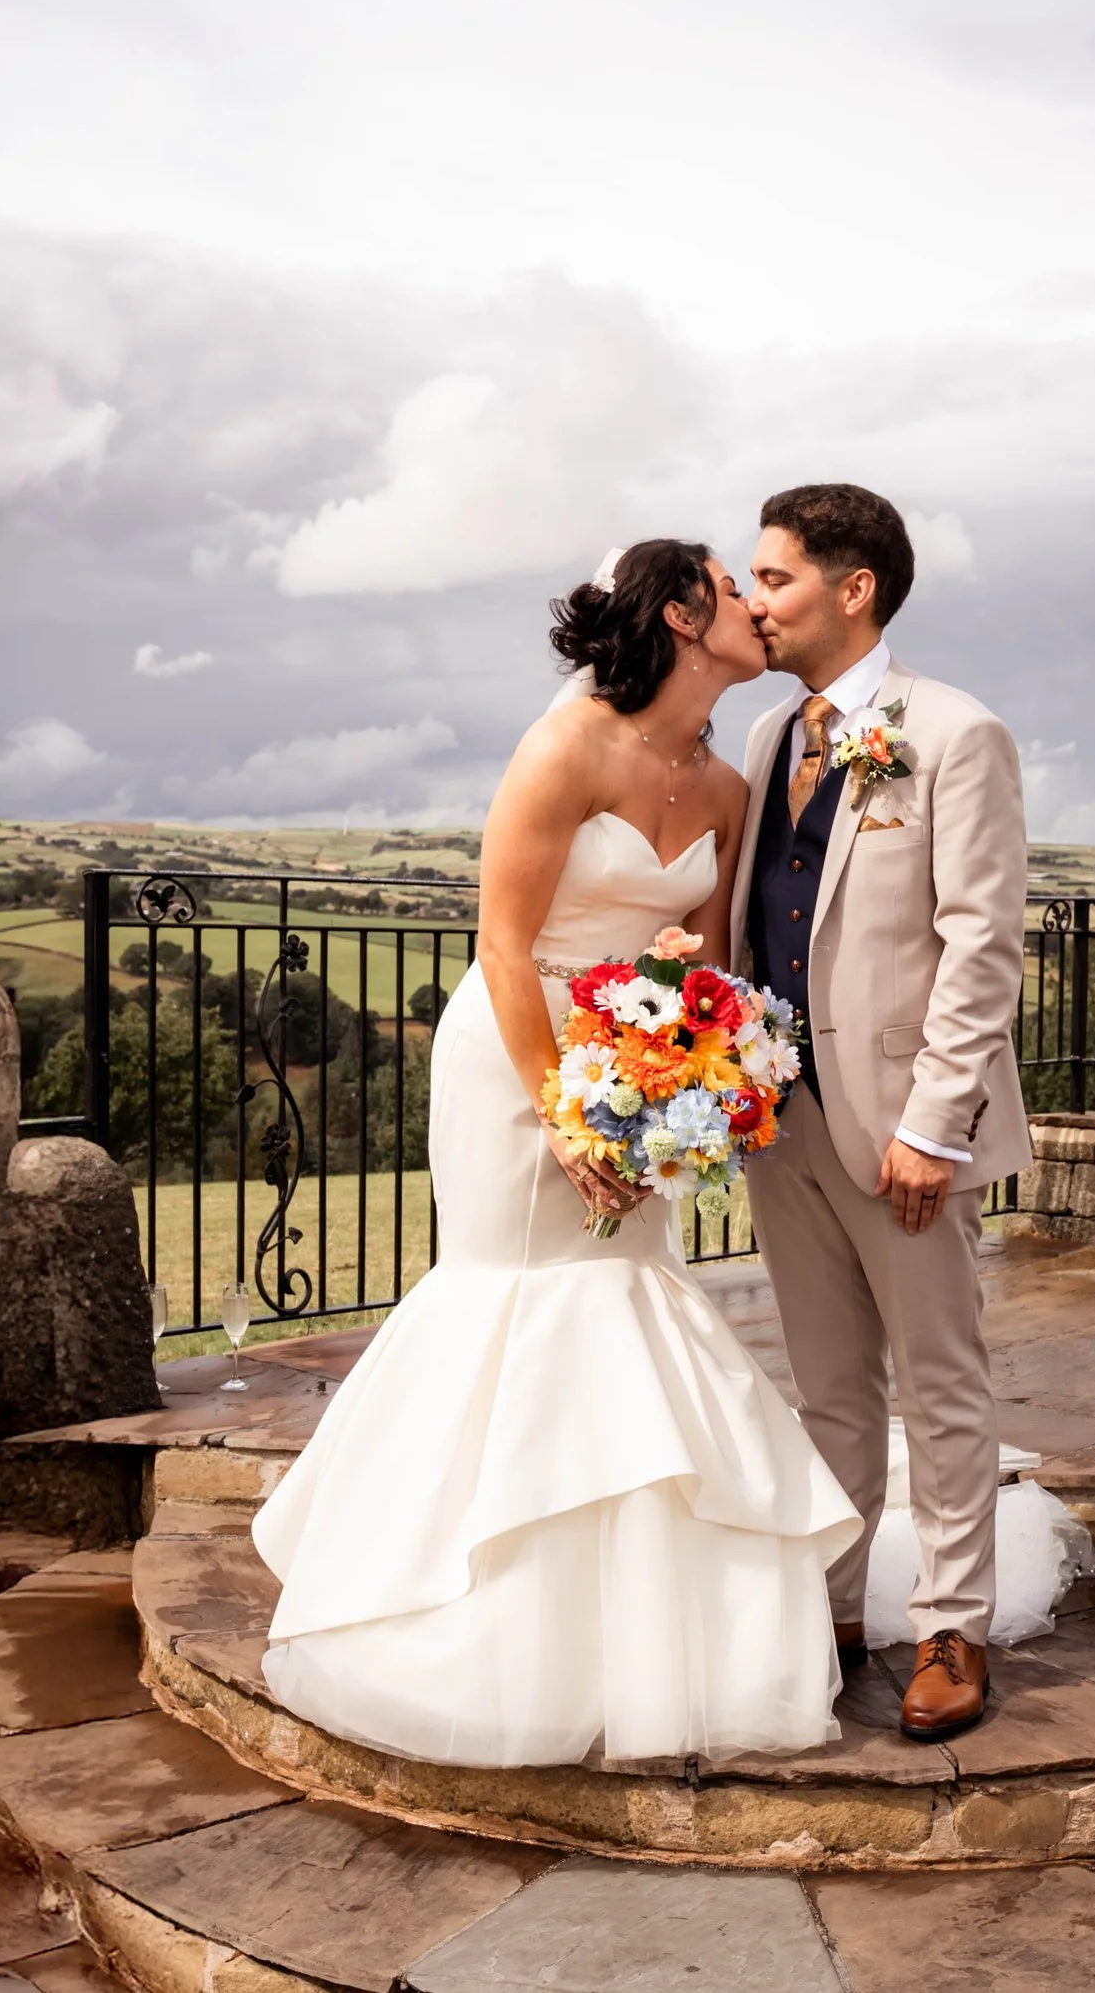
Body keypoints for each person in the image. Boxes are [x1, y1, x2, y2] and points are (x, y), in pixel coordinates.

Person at [251, 538, 861, 1768]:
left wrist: (689, 1072)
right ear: (686, 616)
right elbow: (503, 946)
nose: (754, 605)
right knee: (516, 1302)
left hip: (634, 1065)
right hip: (515, 1058)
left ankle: (642, 1641)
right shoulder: (566, 746)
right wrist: (565, 1112)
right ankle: (460, 1621)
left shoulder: (729, 790)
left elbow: (694, 960)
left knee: (627, 1302)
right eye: (734, 589)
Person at [734, 483, 1031, 1742]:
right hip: (780, 1119)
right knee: (827, 1388)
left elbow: (981, 947)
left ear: (852, 590)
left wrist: (935, 1126)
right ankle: (834, 1608)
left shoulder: (957, 734)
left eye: (774, 579)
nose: (754, 601)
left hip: (904, 1124)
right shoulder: (764, 740)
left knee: (939, 1382)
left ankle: (952, 1625)